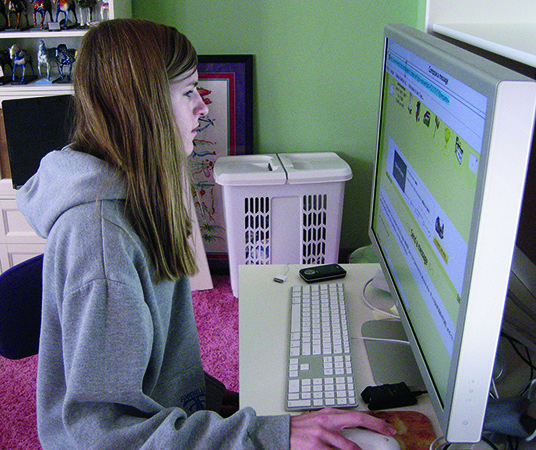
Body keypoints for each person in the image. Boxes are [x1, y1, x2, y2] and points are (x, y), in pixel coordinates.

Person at [17, 18, 396, 449]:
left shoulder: (138, 191)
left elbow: (168, 375)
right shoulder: (102, 243)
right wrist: (263, 435)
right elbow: (104, 435)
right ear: (143, 105)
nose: (203, 105)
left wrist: (242, 411)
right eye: (188, 91)